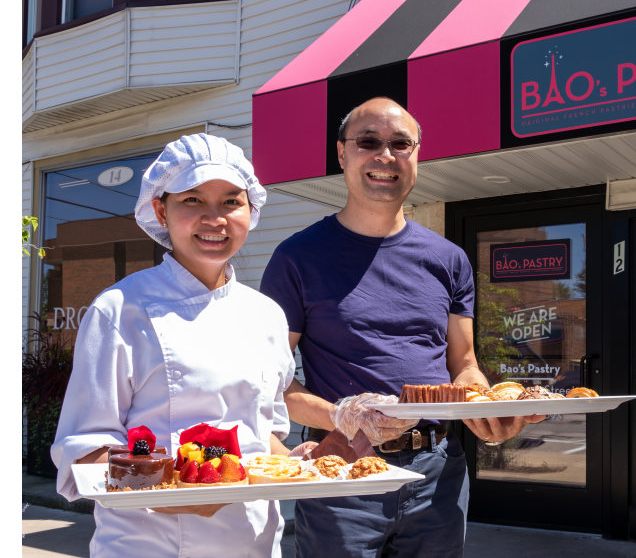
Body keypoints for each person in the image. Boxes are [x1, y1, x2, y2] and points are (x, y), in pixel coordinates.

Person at [260, 97, 545, 557]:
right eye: (368, 142)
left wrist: (487, 408)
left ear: (416, 155)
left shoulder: (447, 258)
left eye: (400, 144)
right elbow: (273, 385)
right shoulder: (297, 258)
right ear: (341, 153)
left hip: (438, 472)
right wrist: (342, 415)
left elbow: (464, 365)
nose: (384, 156)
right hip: (343, 469)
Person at [51, 134, 297, 557]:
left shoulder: (267, 315)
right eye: (193, 201)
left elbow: (262, 437)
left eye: (231, 202)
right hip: (150, 544)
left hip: (255, 542)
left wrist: (304, 462)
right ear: (161, 211)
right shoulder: (120, 310)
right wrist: (174, 495)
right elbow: (86, 454)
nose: (215, 219)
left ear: (251, 210)